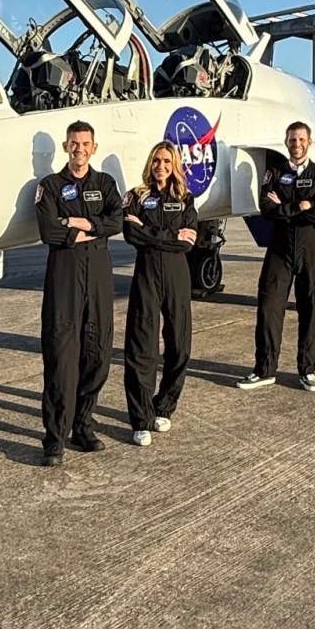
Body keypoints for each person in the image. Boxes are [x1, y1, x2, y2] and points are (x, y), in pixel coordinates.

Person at [35, 120, 123, 466]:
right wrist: (86, 229)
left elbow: (117, 220)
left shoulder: (105, 183)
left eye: (85, 143)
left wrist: (79, 223)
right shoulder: (51, 186)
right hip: (64, 276)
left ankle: (82, 426)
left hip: (99, 275)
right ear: (66, 146)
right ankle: (54, 439)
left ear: (93, 147)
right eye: (74, 143)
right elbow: (48, 230)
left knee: (99, 352)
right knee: (61, 359)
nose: (79, 149)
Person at [238, 121, 315, 392]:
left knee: (311, 308)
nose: (297, 143)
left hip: (312, 249)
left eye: (301, 139)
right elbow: (267, 207)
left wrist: (286, 206)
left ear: (309, 142)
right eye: (292, 139)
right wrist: (302, 205)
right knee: (269, 306)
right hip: (280, 249)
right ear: (286, 141)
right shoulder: (275, 173)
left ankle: (307, 370)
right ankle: (265, 369)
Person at [122, 141, 198, 446]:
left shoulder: (185, 199)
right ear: (150, 163)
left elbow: (189, 241)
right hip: (147, 274)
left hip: (178, 274)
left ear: (175, 164)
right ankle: (140, 418)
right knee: (142, 346)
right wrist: (170, 235)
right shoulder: (137, 196)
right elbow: (130, 233)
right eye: (157, 160)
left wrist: (150, 233)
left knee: (179, 344)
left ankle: (163, 406)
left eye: (167, 161)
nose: (161, 166)